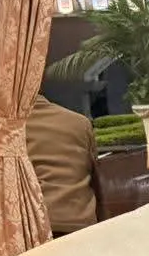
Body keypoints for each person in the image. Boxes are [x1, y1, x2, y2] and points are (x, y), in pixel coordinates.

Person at [26, 94, 98, 235]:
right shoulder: (80, 122)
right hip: (84, 224)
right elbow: (93, 170)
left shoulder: (7, 129)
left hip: (38, 227)